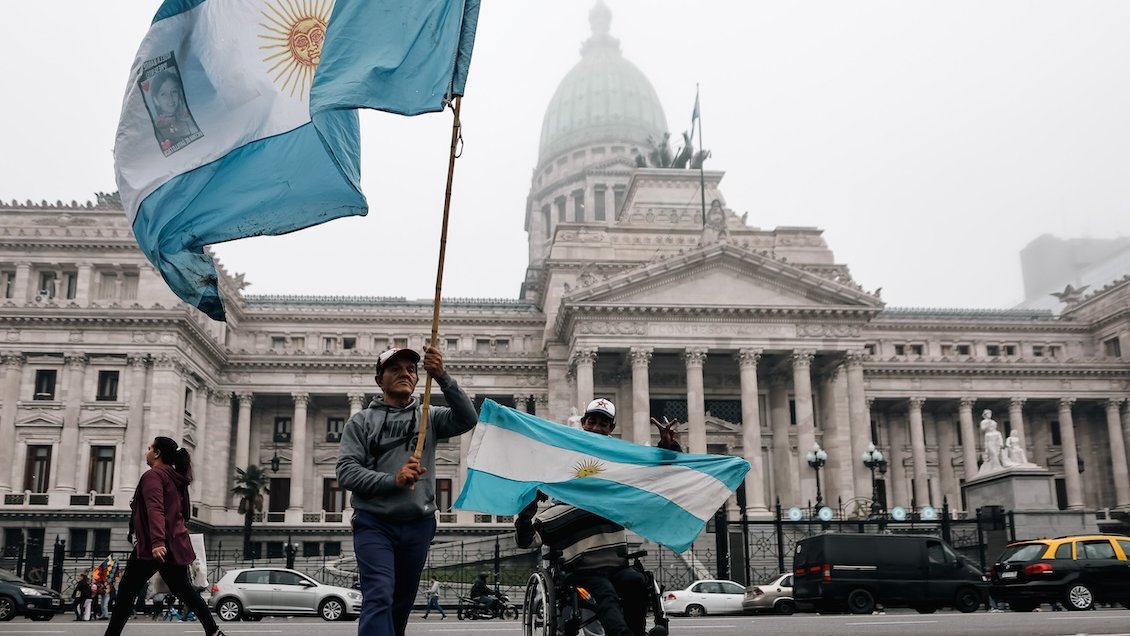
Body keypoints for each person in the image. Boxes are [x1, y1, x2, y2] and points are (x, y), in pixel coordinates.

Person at [336, 346, 478, 636]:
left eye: (411, 369)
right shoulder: (360, 422)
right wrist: (393, 480)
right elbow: (346, 472)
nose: (405, 373)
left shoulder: (430, 417)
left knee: (400, 605)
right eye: (395, 369)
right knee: (379, 594)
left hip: (418, 524)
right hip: (374, 523)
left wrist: (442, 377)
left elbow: (468, 418)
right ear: (379, 380)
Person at [515, 398, 675, 636]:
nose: (597, 427)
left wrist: (667, 447)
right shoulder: (563, 464)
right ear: (582, 423)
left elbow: (653, 477)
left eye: (603, 423)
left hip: (616, 562)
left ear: (611, 429)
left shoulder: (617, 469)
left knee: (635, 582)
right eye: (592, 421)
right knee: (605, 592)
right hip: (581, 566)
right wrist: (527, 508)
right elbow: (529, 539)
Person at [102, 437, 223, 636]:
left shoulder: (153, 476)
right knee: (185, 591)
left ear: (157, 453)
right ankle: (213, 631)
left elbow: (155, 509)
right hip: (174, 544)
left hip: (153, 546)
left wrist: (157, 542)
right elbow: (185, 514)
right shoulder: (177, 478)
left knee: (126, 591)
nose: (146, 452)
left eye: (149, 448)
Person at [978, 410, 1004, 474]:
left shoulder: (993, 423)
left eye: (990, 413)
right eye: (988, 413)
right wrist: (988, 424)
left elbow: (999, 436)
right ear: (985, 414)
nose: (989, 414)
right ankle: (996, 467)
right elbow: (983, 429)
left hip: (995, 438)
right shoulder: (983, 422)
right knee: (993, 453)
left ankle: (996, 466)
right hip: (989, 438)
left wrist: (1001, 443)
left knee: (997, 454)